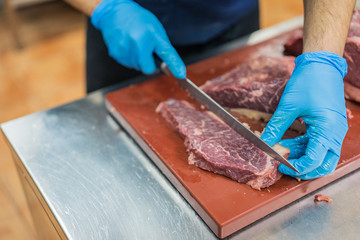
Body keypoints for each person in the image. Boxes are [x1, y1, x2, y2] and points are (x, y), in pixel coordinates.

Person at [64, 0, 356, 180]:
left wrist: (324, 58)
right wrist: (103, 6)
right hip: (125, 23)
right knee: (114, 159)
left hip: (231, 17)